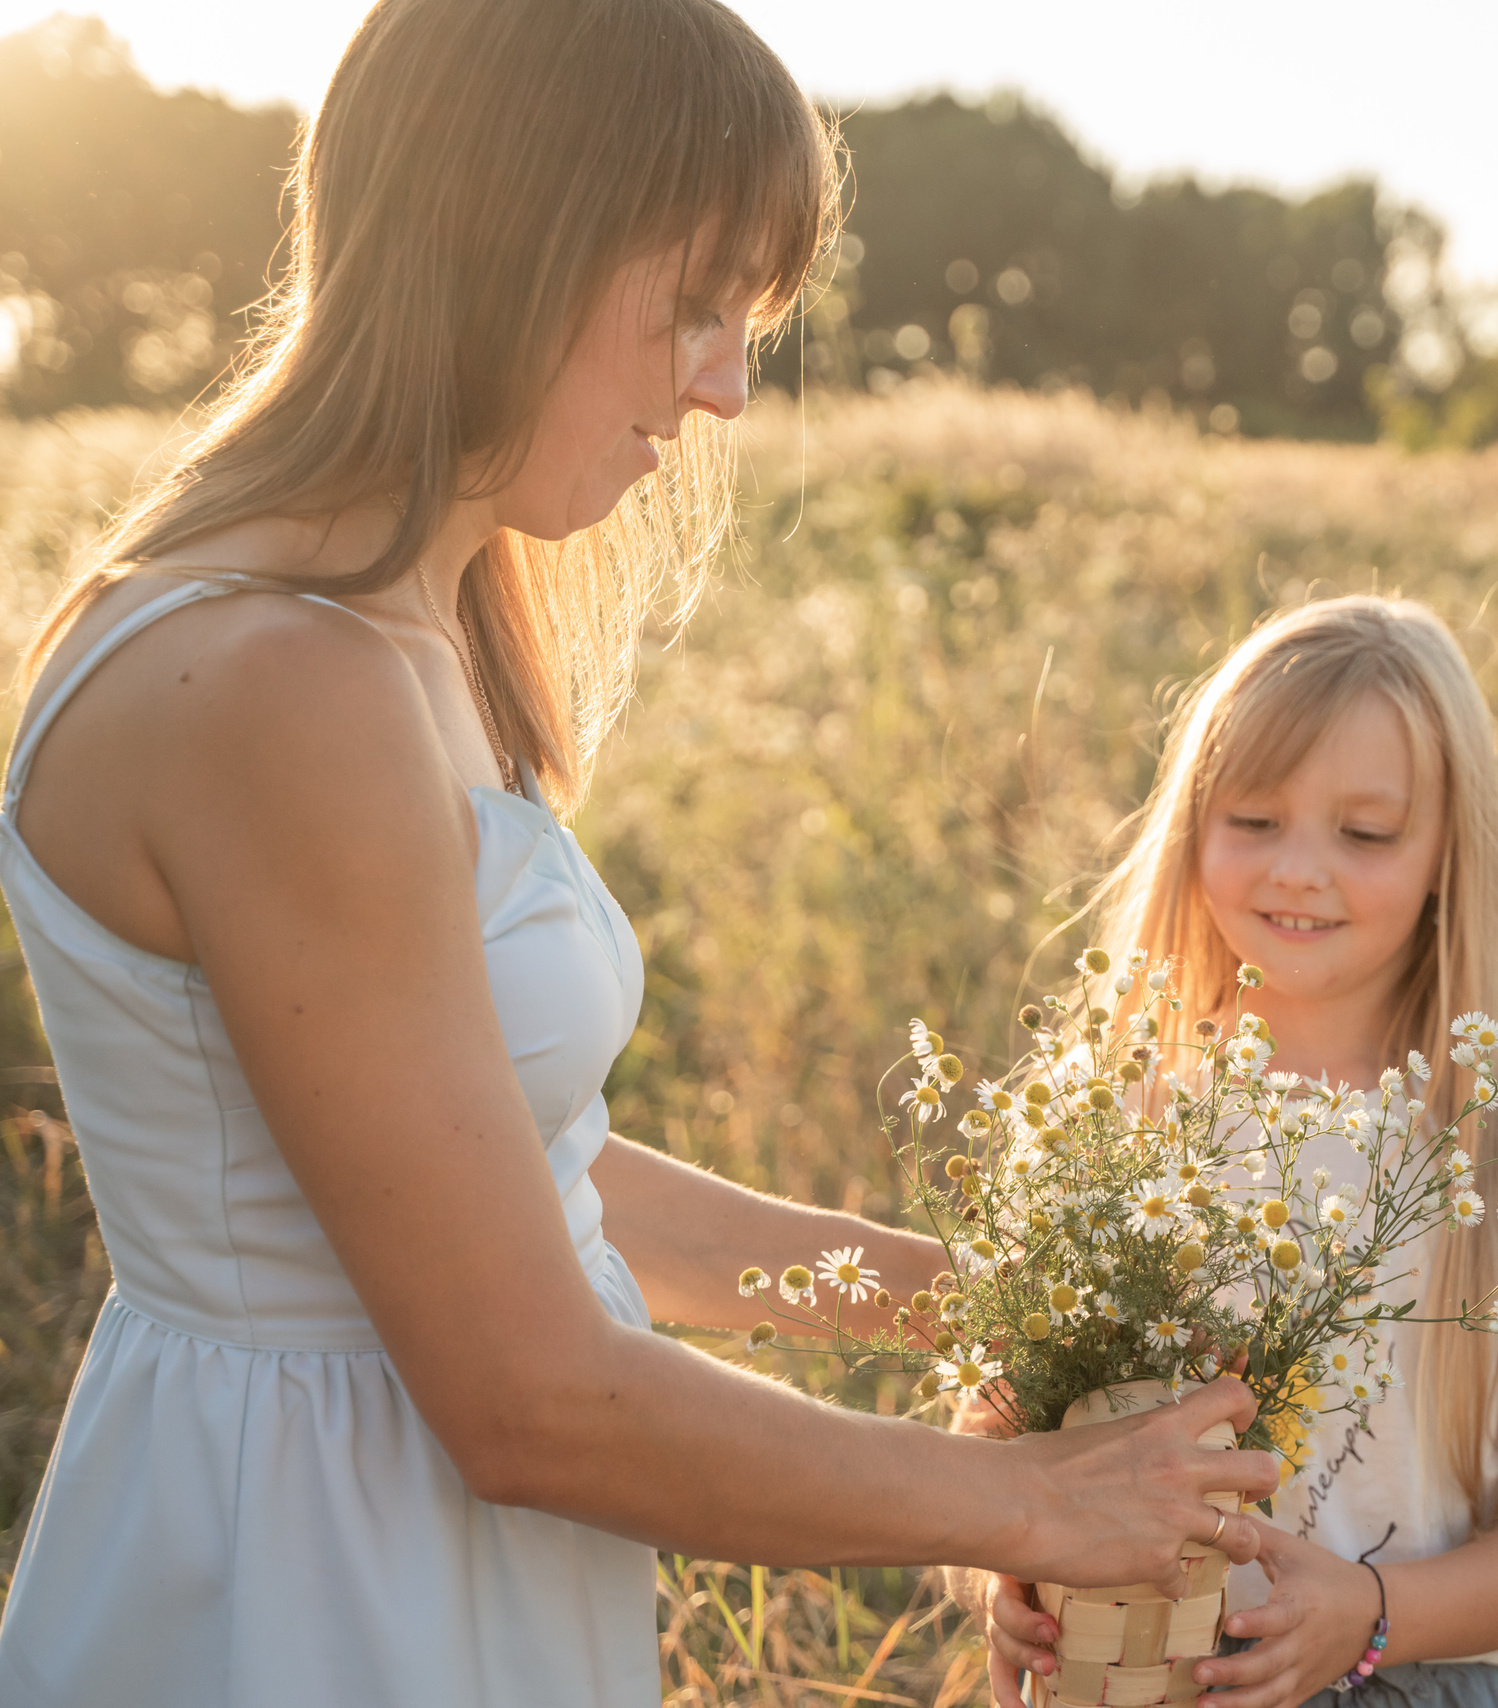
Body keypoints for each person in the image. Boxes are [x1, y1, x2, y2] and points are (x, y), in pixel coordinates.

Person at [0, 3, 1272, 1704]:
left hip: (392, 1538)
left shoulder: (407, 624)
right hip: (308, 1590)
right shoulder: (276, 687)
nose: (729, 385)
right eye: (693, 303)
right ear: (506, 234)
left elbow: (537, 1176)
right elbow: (528, 1394)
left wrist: (951, 1295)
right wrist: (1027, 1501)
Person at [968, 597, 1498, 1708]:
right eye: (1253, 819)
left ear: (1450, 851)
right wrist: (1003, 1568)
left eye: (1364, 833)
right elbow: (1005, 1425)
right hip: (1136, 1675)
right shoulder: (1111, 1116)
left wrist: (1368, 1612)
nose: (1299, 869)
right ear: (1191, 822)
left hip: (1418, 1678)